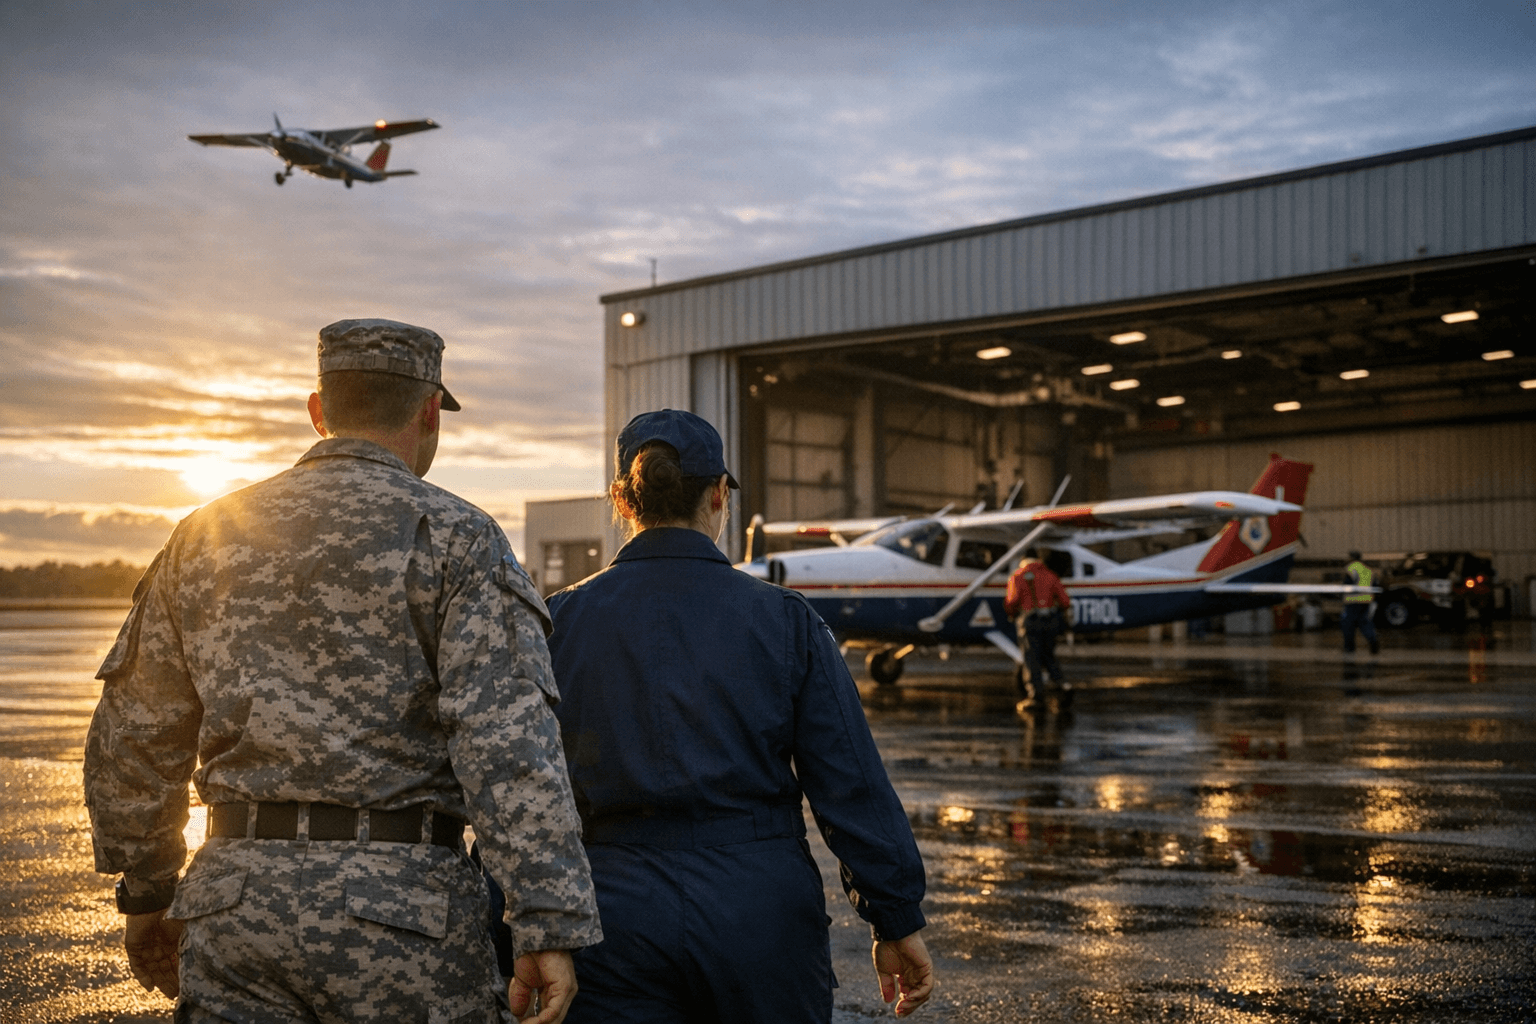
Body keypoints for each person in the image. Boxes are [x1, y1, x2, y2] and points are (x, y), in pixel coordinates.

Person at [83, 318, 602, 1023]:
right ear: (429, 413)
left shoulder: (205, 537)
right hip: (405, 920)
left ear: (319, 412)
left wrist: (146, 891)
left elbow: (134, 736)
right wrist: (545, 921)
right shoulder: (459, 539)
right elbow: (508, 745)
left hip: (237, 912)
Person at [542, 409, 934, 1022]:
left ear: (622, 498)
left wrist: (528, 926)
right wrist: (896, 915)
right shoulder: (786, 620)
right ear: (719, 495)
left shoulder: (557, 620)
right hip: (759, 911)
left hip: (609, 910)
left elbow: (523, 781)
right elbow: (848, 778)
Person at [1004, 548, 1072, 702]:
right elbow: (1065, 601)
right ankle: (1064, 685)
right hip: (1051, 621)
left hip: (1031, 622)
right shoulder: (1050, 575)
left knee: (1031, 659)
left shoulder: (1018, 576)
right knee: (1049, 656)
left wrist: (1012, 614)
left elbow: (1011, 602)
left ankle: (1035, 695)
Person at [1342, 550, 1380, 655]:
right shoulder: (1368, 569)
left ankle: (1349, 648)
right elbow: (1375, 585)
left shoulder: (1350, 568)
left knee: (1348, 624)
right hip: (1366, 600)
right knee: (1364, 623)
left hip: (1353, 601)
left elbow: (1347, 585)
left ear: (1351, 558)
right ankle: (1373, 640)